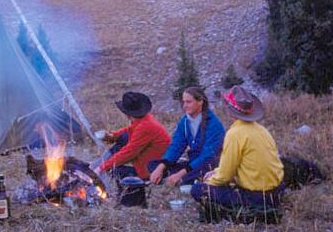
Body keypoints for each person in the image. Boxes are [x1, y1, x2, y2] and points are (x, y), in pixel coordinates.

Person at [190, 86, 285, 222]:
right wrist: (217, 171)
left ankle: (248, 212)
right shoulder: (261, 130)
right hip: (277, 192)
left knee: (197, 190)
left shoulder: (235, 133)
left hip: (256, 196)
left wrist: (209, 181)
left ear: (230, 111)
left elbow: (225, 176)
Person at [147, 85, 225, 188]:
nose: (185, 105)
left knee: (203, 167)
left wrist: (180, 174)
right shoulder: (184, 121)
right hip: (191, 164)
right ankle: (183, 179)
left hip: (208, 166)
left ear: (200, 101)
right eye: (184, 102)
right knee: (153, 165)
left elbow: (207, 156)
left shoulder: (213, 124)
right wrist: (161, 167)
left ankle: (186, 180)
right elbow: (176, 146)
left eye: (189, 102)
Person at [96, 91, 171, 183]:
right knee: (124, 137)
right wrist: (113, 136)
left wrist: (102, 168)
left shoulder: (145, 126)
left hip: (153, 170)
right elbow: (129, 130)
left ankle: (100, 167)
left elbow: (129, 152)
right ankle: (99, 163)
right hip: (154, 161)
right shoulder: (144, 119)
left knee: (110, 171)